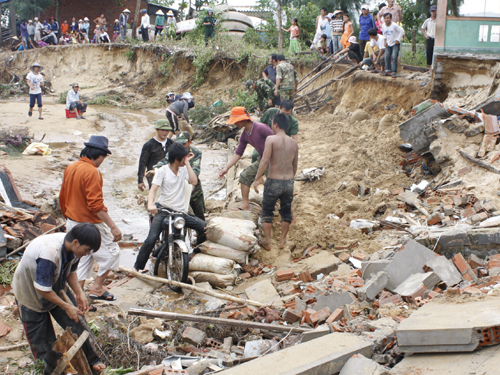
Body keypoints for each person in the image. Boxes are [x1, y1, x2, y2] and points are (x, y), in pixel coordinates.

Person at [12, 223, 106, 374]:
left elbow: (71, 271)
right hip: (31, 294)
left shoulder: (73, 249)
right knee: (44, 344)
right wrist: (67, 306)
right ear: (76, 242)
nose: (88, 254)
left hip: (56, 287)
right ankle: (51, 370)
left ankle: (93, 361)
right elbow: (42, 289)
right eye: (87, 249)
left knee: (78, 324)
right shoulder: (49, 254)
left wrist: (79, 293)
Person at [59, 136, 122, 302]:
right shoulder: (92, 171)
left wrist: (68, 217)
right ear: (100, 156)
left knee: (83, 257)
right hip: (89, 222)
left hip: (73, 220)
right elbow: (95, 205)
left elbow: (62, 196)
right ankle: (97, 287)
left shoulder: (71, 167)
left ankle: (78, 296)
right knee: (112, 253)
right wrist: (113, 226)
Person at [134, 143, 206, 271]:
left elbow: (194, 181)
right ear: (177, 159)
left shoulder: (184, 170)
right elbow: (153, 189)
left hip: (180, 212)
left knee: (204, 227)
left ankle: (194, 252)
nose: (185, 160)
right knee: (151, 239)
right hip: (163, 210)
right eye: (184, 158)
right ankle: (137, 267)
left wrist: (188, 163)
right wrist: (150, 204)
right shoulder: (162, 171)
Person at [253, 112, 298, 250]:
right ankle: (282, 241)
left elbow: (265, 160)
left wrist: (257, 178)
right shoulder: (294, 143)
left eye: (272, 123)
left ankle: (268, 242)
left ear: (276, 124)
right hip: (289, 182)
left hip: (274, 181)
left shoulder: (271, 139)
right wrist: (290, 178)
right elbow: (295, 165)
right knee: (286, 211)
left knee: (267, 212)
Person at [218, 107, 273, 211]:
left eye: (236, 121)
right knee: (244, 176)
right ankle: (245, 204)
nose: (235, 124)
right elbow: (238, 153)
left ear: (243, 119)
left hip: (274, 161)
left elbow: (277, 141)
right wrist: (226, 168)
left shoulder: (261, 128)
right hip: (262, 160)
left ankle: (275, 209)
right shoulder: (244, 135)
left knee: (273, 185)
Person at [153, 132, 205, 221]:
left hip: (192, 184)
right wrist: (155, 169)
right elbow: (164, 162)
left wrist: (186, 165)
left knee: (199, 212)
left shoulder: (196, 153)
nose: (182, 146)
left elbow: (195, 171)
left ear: (189, 142)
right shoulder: (173, 152)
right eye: (179, 143)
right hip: (177, 187)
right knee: (179, 213)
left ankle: (201, 233)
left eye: (184, 143)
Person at [138, 120, 173, 191]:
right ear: (157, 130)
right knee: (155, 196)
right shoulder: (149, 145)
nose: (165, 132)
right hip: (153, 176)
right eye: (162, 130)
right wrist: (140, 181)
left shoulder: (171, 143)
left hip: (169, 175)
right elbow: (142, 163)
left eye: (167, 130)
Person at [381, 12, 404, 78]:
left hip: (395, 43)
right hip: (388, 43)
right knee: (387, 56)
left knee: (394, 56)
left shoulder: (394, 25)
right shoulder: (383, 26)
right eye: (385, 18)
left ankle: (394, 71)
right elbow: (384, 34)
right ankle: (387, 70)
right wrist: (385, 41)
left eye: (388, 18)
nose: (386, 19)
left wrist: (398, 40)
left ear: (390, 18)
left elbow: (401, 31)